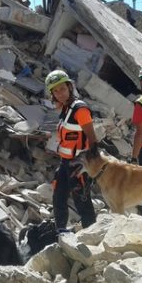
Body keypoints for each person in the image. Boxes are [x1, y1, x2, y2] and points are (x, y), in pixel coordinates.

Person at [45, 70, 97, 232]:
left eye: (62, 89)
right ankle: (60, 231)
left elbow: (93, 139)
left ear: (69, 87)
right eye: (55, 91)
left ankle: (92, 234)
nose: (60, 93)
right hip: (65, 162)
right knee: (58, 197)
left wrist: (90, 165)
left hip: (78, 165)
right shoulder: (66, 109)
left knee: (82, 201)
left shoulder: (80, 109)